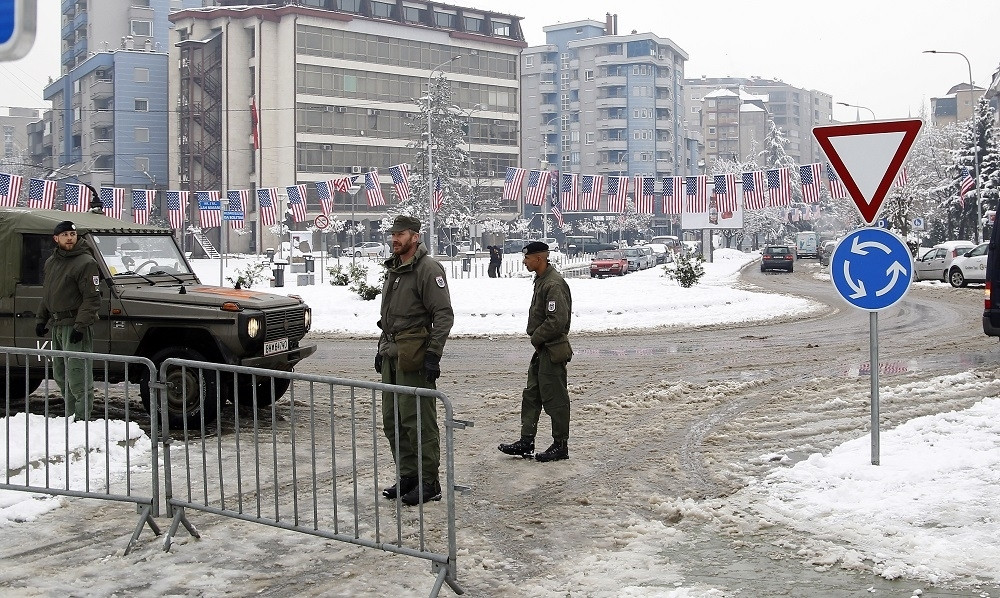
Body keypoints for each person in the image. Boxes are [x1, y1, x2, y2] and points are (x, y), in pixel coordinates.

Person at [376, 215, 454, 505]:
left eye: (401, 234)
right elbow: (388, 317)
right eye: (393, 234)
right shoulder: (395, 269)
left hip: (415, 357)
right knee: (393, 420)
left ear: (415, 236)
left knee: (418, 421)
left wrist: (433, 355)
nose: (395, 239)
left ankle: (429, 482)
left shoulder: (427, 269)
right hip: (392, 354)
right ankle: (408, 475)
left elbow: (443, 315)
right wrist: (380, 346)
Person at [499, 241, 573, 462]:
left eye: (527, 258)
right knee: (532, 395)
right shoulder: (542, 281)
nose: (524, 261)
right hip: (543, 350)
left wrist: (536, 337)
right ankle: (526, 441)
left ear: (538, 259)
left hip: (552, 349)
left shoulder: (553, 284)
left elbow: (557, 321)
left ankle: (560, 445)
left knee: (555, 399)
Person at [35, 221, 101, 421]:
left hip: (75, 325)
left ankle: (82, 420)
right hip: (57, 325)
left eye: (73, 234)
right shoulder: (52, 262)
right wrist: (41, 319)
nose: (70, 237)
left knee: (78, 376)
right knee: (61, 375)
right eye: (65, 234)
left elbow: (92, 298)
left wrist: (80, 326)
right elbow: (48, 294)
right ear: (56, 239)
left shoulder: (86, 262)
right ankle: (70, 416)